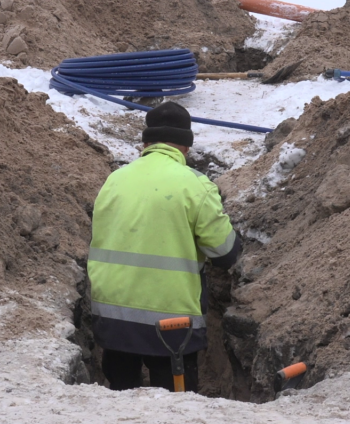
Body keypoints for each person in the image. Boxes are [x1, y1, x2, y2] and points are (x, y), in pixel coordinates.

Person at [87, 101, 242, 392]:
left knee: (117, 404)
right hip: (173, 328)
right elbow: (224, 254)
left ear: (145, 143)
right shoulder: (195, 184)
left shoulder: (113, 181)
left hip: (113, 319)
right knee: (176, 412)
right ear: (185, 147)